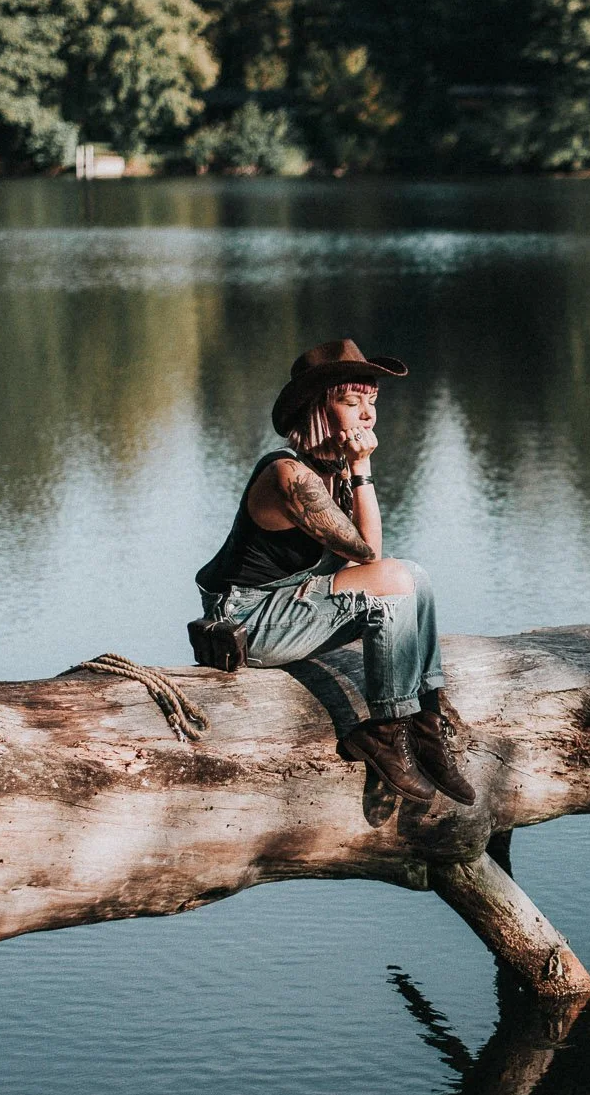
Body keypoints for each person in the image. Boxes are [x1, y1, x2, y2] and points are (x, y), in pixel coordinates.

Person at [195, 339, 476, 807]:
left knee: (415, 577)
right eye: (351, 402)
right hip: (247, 623)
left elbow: (368, 562)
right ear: (317, 410)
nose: (368, 415)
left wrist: (354, 469)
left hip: (296, 602)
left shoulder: (334, 470)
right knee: (392, 579)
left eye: (372, 402)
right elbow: (368, 554)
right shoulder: (288, 476)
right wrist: (363, 467)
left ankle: (425, 723)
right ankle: (385, 730)